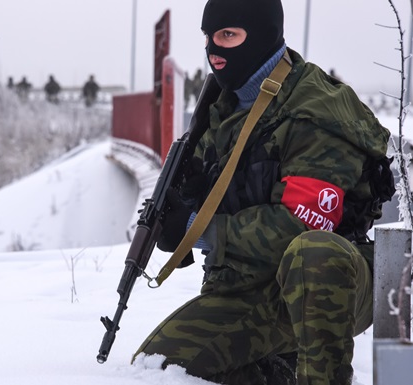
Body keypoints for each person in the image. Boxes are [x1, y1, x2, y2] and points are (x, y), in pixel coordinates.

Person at [132, 0, 394, 384]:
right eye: (208, 37)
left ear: (262, 35)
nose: (214, 51)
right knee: (162, 367)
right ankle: (279, 368)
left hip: (329, 287)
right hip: (251, 286)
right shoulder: (225, 106)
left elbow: (297, 227)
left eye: (228, 35)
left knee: (313, 253)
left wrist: (197, 229)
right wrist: (179, 209)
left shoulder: (316, 110)